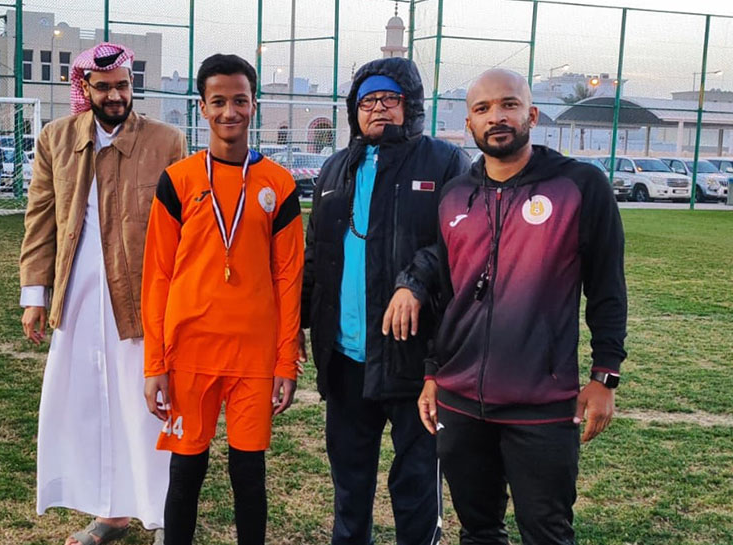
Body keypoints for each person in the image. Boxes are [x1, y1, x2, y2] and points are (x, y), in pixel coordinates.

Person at [417, 68, 628, 545]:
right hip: (460, 400)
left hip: (542, 403)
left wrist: (605, 377)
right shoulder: (454, 196)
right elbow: (446, 296)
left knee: (546, 533)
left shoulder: (579, 186)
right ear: (469, 124)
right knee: (478, 531)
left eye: (508, 104)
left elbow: (607, 288)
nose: (496, 117)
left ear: (531, 115)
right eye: (483, 109)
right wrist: (432, 374)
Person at [19, 42, 187, 545]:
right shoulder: (56, 139)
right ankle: (110, 514)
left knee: (148, 409)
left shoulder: (166, 141)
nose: (116, 96)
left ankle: (164, 517)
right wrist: (35, 293)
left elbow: (186, 227)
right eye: (104, 87)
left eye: (123, 86)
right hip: (79, 297)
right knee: (90, 406)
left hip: (142, 300)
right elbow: (41, 218)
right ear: (85, 88)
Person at [300, 56, 469, 545]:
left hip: (415, 358)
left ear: (409, 105)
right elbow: (316, 254)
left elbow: (460, 242)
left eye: (389, 99)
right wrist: (298, 325)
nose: (377, 109)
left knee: (415, 484)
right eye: (367, 101)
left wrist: (415, 281)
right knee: (349, 484)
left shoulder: (445, 162)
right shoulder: (336, 168)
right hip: (347, 358)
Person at [141, 53, 304, 545]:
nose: (229, 112)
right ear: (203, 107)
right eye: (218, 102)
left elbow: (289, 279)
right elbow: (157, 277)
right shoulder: (178, 181)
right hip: (190, 352)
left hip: (253, 356)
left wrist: (286, 362)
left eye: (239, 100)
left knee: (248, 474)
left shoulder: (279, 185)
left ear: (255, 104)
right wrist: (155, 364)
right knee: (185, 473)